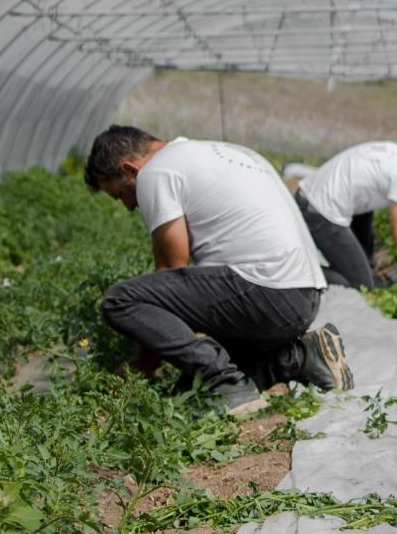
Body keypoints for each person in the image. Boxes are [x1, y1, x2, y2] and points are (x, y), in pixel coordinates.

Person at [86, 126, 355, 415]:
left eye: (120, 194)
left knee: (120, 300)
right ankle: (300, 357)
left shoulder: (155, 172)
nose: (128, 206)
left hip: (263, 293)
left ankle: (226, 383)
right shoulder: (225, 151)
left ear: (130, 169)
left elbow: (170, 270)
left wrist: (142, 366)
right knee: (189, 392)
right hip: (302, 298)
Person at [294, 141, 397, 288]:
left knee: (366, 215)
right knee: (361, 283)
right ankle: (295, 268)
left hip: (307, 195)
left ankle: (362, 265)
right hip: (320, 213)